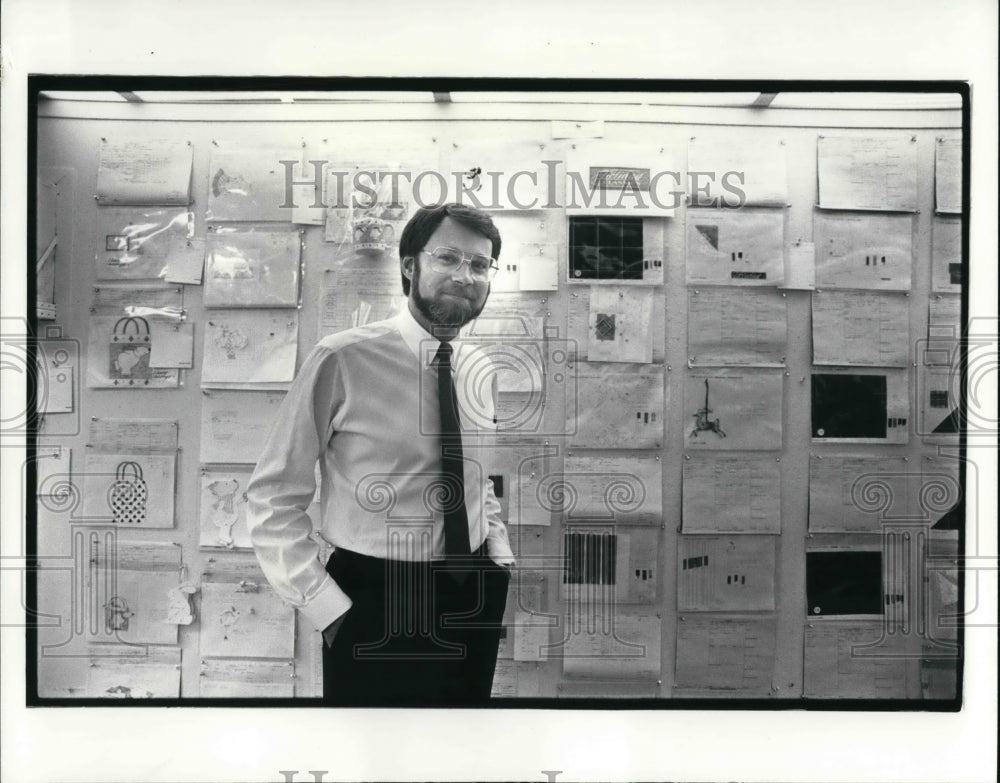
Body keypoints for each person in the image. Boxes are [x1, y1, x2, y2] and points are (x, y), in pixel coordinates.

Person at [246, 203, 514, 706]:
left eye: (479, 265)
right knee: (369, 756)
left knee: (461, 744)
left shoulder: (480, 368)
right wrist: (326, 606)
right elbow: (272, 497)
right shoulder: (342, 358)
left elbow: (477, 480)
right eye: (448, 258)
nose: (465, 275)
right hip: (374, 599)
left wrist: (497, 554)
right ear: (410, 266)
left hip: (472, 591)